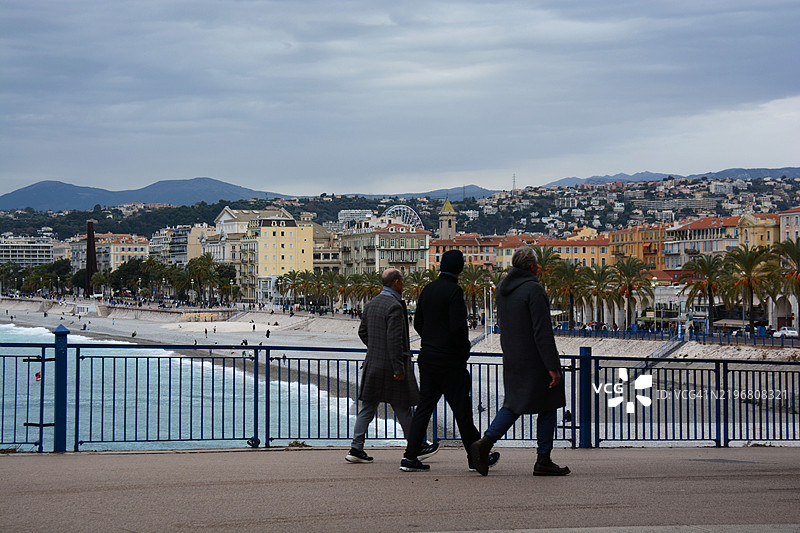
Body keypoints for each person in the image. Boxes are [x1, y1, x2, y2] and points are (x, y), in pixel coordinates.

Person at [470, 246, 569, 476]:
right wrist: (552, 367)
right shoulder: (533, 290)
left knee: (514, 404)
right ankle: (543, 458)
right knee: (549, 404)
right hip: (535, 359)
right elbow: (542, 332)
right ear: (533, 267)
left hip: (513, 356)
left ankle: (485, 442)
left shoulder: (503, 290)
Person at [401, 250, 497, 473]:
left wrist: (431, 340)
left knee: (424, 409)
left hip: (428, 358)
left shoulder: (428, 289)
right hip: (450, 362)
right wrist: (463, 352)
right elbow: (458, 329)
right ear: (460, 268)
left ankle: (409, 457)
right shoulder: (454, 291)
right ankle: (476, 458)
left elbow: (418, 324)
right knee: (462, 412)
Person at [346, 268, 438, 464]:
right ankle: (417, 445)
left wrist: (375, 348)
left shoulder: (371, 304)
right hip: (391, 367)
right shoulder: (395, 306)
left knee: (367, 407)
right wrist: (398, 368)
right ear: (396, 282)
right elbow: (396, 340)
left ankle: (356, 448)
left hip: (373, 363)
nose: (404, 284)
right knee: (403, 406)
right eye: (402, 280)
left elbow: (363, 332)